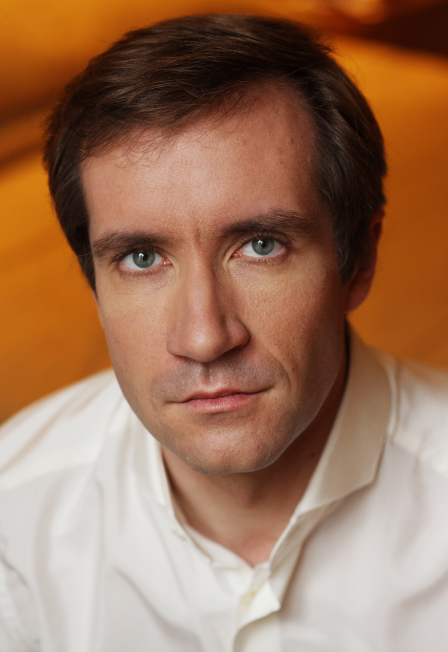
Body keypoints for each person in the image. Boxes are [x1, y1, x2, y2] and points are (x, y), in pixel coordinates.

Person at [1, 13, 447, 652]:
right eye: (142, 258)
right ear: (93, 283)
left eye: (261, 245)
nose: (205, 338)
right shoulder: (14, 519)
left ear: (360, 260)